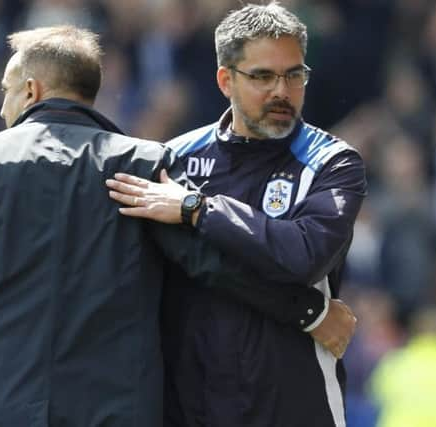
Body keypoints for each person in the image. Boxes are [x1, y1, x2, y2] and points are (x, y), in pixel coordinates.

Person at [0, 25, 355, 427]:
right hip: (110, 411)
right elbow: (212, 267)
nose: (2, 108)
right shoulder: (140, 165)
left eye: (6, 91)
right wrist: (308, 312)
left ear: (31, 90)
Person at [106, 3, 367, 427]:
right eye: (263, 76)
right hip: (192, 406)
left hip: (297, 405)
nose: (282, 91)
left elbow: (303, 256)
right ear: (226, 80)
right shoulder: (174, 161)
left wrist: (196, 208)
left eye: (294, 74)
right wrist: (313, 314)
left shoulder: (333, 162)